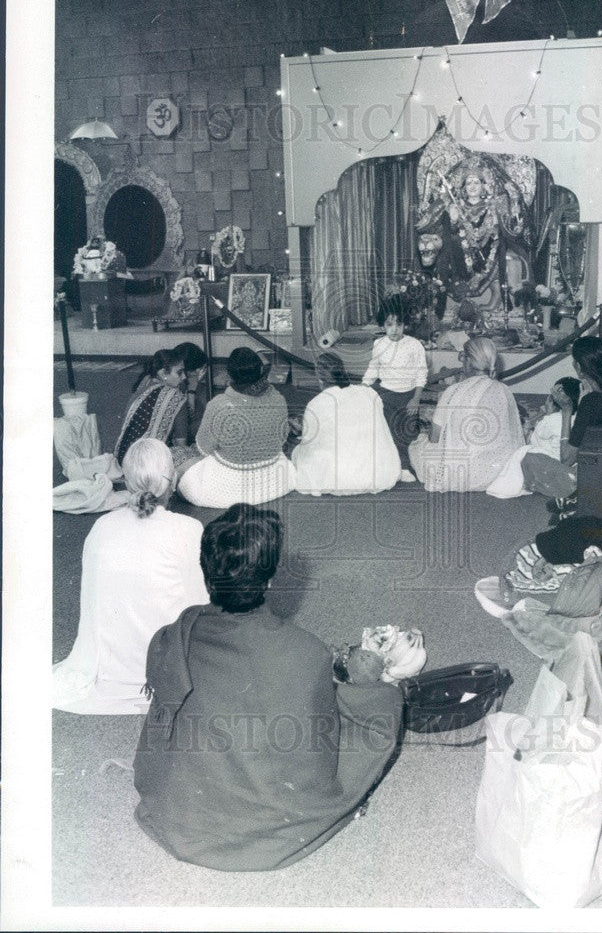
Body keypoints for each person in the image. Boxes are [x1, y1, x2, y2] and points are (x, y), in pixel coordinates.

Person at [133, 504, 403, 872]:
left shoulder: (174, 635)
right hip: (267, 815)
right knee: (382, 707)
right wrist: (372, 687)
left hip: (181, 810)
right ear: (271, 579)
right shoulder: (306, 651)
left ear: (206, 573)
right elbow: (316, 753)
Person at [52, 439, 209, 715]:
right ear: (172, 480)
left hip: (110, 670)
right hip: (167, 664)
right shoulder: (188, 528)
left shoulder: (102, 527)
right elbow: (200, 604)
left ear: (126, 481)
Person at [521, 336, 602, 500]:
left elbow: (567, 459)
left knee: (529, 459)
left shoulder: (590, 402)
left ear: (577, 366)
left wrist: (566, 410)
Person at [177, 346, 295, 508]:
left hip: (230, 484)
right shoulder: (278, 398)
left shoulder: (219, 405)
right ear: (261, 369)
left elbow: (203, 449)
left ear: (229, 374)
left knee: (183, 477)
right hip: (276, 480)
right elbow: (282, 438)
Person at [409, 336, 524, 492]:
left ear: (469, 361)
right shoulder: (504, 390)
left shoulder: (452, 391)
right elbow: (513, 434)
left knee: (417, 445)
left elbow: (435, 438)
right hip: (500, 470)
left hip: (461, 473)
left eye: (463, 357)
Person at [292, 352, 401, 496]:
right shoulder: (369, 393)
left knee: (298, 453)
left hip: (339, 476)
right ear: (342, 370)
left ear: (319, 377)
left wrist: (301, 428)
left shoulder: (317, 403)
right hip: (378, 471)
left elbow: (310, 443)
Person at [361, 295, 428, 482]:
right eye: (389, 325)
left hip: (407, 396)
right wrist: (362, 387)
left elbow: (421, 374)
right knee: (387, 431)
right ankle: (390, 465)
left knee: (406, 431)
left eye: (399, 325)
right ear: (383, 325)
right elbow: (373, 369)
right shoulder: (379, 344)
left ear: (405, 325)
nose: (394, 330)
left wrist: (416, 398)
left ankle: (405, 465)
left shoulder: (414, 345)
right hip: (385, 394)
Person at [486, 377, 581, 499]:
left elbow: (538, 435)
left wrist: (546, 415)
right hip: (572, 462)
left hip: (552, 459)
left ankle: (560, 480)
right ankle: (568, 478)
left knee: (527, 453)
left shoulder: (551, 419)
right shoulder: (578, 419)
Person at [114, 349, 187, 466]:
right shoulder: (176, 396)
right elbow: (181, 444)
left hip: (122, 461)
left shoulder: (142, 388)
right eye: (180, 372)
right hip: (149, 466)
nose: (184, 377)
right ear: (163, 374)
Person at [173, 342, 208, 444]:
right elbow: (189, 415)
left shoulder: (180, 377)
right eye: (202, 368)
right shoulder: (176, 383)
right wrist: (193, 387)